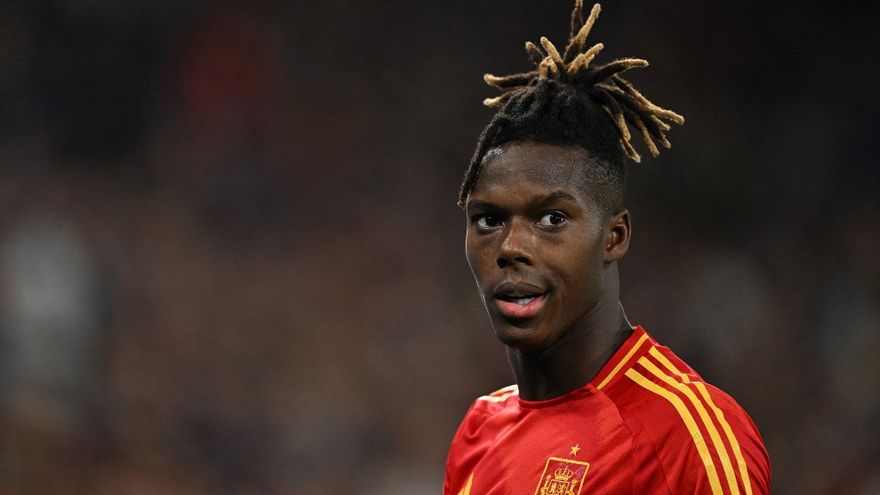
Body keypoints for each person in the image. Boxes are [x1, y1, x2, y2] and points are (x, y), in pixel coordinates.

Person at [443, 2, 771, 494]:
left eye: (552, 219)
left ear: (613, 237)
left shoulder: (688, 436)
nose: (510, 247)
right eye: (488, 220)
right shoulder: (480, 432)